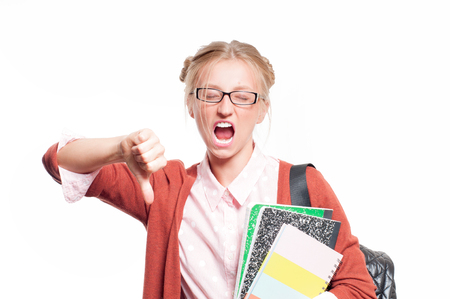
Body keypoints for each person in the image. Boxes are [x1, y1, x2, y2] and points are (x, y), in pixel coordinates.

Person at [42, 40, 377, 299]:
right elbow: (59, 160)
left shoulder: (302, 186)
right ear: (191, 104)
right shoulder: (165, 188)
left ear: (262, 109)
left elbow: (359, 288)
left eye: (243, 96)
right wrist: (119, 148)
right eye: (211, 95)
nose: (226, 108)